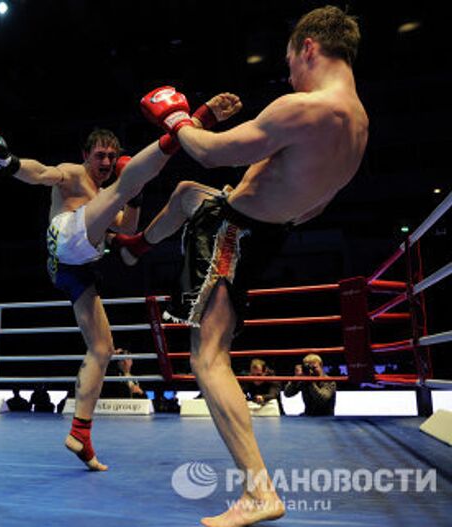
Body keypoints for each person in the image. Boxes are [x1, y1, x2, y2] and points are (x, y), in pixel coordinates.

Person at [118, 6, 367, 525]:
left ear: (309, 49)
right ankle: (136, 246)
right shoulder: (359, 126)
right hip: (265, 231)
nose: (290, 74)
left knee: (208, 359)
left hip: (237, 232)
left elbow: (209, 152)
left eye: (291, 62)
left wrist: (178, 118)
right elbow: (316, 203)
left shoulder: (305, 106)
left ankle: (259, 493)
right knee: (189, 196)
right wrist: (262, 199)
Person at [0, 96, 240, 470]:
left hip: (78, 268)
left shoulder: (110, 196)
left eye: (113, 156)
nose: (107, 163)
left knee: (102, 348)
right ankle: (189, 124)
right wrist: (8, 162)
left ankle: (81, 432)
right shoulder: (73, 175)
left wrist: (137, 194)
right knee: (123, 193)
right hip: (65, 240)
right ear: (86, 156)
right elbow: (40, 172)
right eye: (100, 156)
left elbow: (127, 225)